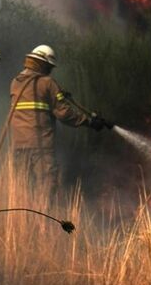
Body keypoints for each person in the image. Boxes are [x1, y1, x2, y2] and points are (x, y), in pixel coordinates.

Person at [9, 44, 105, 192]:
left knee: (23, 186)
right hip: (40, 144)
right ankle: (44, 208)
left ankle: (22, 207)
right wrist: (89, 122)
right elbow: (64, 113)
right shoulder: (48, 83)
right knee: (47, 184)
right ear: (43, 64)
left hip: (18, 144)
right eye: (49, 67)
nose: (50, 70)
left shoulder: (16, 82)